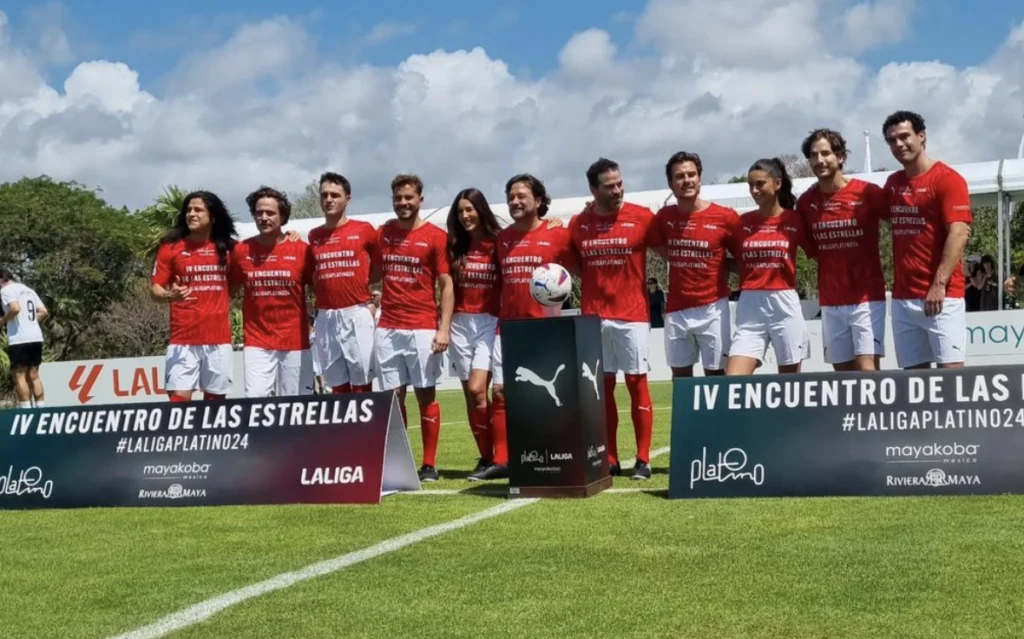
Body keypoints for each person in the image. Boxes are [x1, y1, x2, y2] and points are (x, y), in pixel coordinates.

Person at [569, 158, 657, 480]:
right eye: (610, 186)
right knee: (602, 389)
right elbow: (571, 262)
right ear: (594, 190)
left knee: (636, 383)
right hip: (594, 317)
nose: (618, 190)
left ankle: (643, 459)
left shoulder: (643, 217)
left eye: (620, 183)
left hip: (632, 316)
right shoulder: (578, 224)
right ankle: (610, 458)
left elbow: (667, 247)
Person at [489, 174, 576, 481]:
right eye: (510, 196)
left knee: (543, 397)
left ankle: (551, 454)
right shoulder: (502, 239)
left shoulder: (558, 234)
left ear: (538, 200)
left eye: (521, 196)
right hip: (507, 328)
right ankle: (502, 460)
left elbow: (576, 270)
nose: (515, 201)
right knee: (500, 391)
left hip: (544, 329)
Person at [373, 174, 454, 483]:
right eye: (398, 198)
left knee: (425, 395)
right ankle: (400, 463)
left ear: (421, 199)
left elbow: (446, 285)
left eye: (409, 197)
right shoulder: (383, 233)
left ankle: (429, 464)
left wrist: (443, 328)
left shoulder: (435, 236)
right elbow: (369, 270)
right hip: (388, 327)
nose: (403, 203)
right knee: (393, 398)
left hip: (422, 326)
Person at [882, 110, 973, 369]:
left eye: (904, 136)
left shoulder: (947, 179)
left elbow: (959, 233)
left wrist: (939, 283)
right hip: (903, 298)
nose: (899, 144)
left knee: (951, 377)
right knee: (914, 382)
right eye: (892, 140)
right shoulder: (893, 183)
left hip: (942, 295)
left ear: (921, 136)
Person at [797, 128, 887, 372]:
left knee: (867, 369)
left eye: (826, 153)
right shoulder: (805, 202)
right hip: (831, 300)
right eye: (813, 155)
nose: (820, 160)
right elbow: (812, 249)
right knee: (842, 376)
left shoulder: (868, 192)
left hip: (867, 299)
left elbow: (900, 227)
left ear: (841, 157)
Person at [648, 151, 740, 379]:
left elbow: (744, 258)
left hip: (713, 308)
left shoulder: (725, 217)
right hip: (677, 309)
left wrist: (722, 264)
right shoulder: (664, 217)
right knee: (681, 379)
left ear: (700, 178)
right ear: (670, 184)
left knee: (716, 376)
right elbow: (653, 243)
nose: (686, 180)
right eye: (679, 176)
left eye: (691, 174)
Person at [726, 158, 814, 376]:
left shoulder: (795, 220)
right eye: (750, 185)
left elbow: (818, 254)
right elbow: (739, 263)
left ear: (777, 183)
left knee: (789, 384)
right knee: (733, 379)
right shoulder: (741, 223)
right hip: (750, 305)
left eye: (760, 184)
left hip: (784, 303)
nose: (754, 190)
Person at [151, 191, 237, 402]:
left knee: (215, 406)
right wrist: (170, 296)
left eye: (198, 210)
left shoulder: (230, 249)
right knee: (178, 405)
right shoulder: (170, 247)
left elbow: (236, 284)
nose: (192, 214)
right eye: (188, 210)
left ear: (213, 216)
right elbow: (155, 290)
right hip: (183, 340)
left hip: (218, 340)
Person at [229, 186, 315, 397]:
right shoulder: (241, 250)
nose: (264, 217)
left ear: (282, 216)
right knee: (256, 404)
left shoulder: (302, 250)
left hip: (295, 342)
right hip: (257, 343)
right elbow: (226, 291)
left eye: (270, 213)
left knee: (296, 407)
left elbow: (320, 289)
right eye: (259, 212)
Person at [307, 172, 379, 394]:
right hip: (326, 316)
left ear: (347, 199)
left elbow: (380, 264)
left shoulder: (364, 229)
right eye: (324, 195)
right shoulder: (314, 235)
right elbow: (312, 276)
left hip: (356, 312)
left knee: (362, 384)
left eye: (335, 195)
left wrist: (366, 288)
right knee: (337, 386)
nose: (329, 199)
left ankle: (366, 419)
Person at [1, 269, 47, 408]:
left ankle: (25, 410)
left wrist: (3, 321)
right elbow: (44, 312)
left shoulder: (6, 290)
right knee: (34, 375)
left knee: (19, 375)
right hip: (36, 337)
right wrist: (29, 322)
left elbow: (15, 308)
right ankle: (41, 407)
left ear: (2, 279)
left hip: (19, 339)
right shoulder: (28, 290)